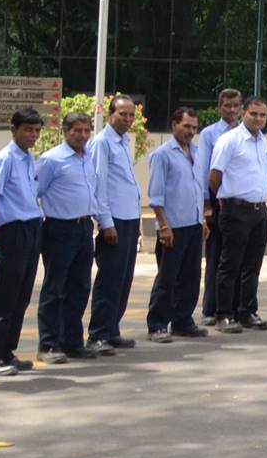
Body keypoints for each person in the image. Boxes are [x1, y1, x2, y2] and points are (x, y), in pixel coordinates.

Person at [0, 106, 45, 374]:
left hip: (32, 227)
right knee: (3, 294)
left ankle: (6, 351)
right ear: (13, 130)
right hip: (13, 229)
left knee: (21, 294)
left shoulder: (29, 158)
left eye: (36, 130)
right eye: (27, 130)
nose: (33, 135)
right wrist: (0, 229)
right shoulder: (5, 159)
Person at [34, 111, 98, 361]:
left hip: (84, 227)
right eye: (77, 130)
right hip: (59, 229)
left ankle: (71, 341)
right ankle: (48, 344)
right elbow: (35, 192)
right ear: (65, 131)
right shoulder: (52, 160)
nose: (82, 135)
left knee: (80, 287)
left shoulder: (88, 157)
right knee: (55, 288)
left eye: (86, 130)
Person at [206, 97, 267, 332]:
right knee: (230, 265)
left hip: (259, 210)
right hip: (236, 210)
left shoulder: (262, 141)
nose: (258, 119)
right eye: (254, 114)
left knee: (253, 265)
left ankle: (247, 311)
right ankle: (223, 314)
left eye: (262, 115)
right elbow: (214, 176)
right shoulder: (229, 140)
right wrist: (225, 199)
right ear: (244, 113)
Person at [143, 106, 208, 341]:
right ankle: (157, 324)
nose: (190, 131)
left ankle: (182, 320)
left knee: (191, 277)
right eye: (186, 126)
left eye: (194, 127)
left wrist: (202, 219)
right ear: (174, 125)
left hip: (193, 224)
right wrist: (163, 225)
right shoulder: (162, 154)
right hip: (172, 226)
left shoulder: (197, 152)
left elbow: (198, 188)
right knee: (167, 279)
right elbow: (156, 195)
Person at [86, 94, 142, 353]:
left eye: (131, 115)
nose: (128, 119)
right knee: (109, 279)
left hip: (129, 218)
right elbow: (99, 185)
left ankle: (112, 329)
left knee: (123, 279)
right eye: (123, 114)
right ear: (110, 115)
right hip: (114, 220)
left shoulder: (124, 141)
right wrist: (106, 223)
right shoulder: (102, 143)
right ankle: (98, 334)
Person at [195, 87, 243, 323]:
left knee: (239, 258)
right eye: (227, 106)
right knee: (217, 257)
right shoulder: (209, 134)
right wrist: (207, 205)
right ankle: (210, 309)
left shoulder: (248, 133)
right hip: (217, 199)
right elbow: (204, 170)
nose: (232, 110)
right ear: (219, 107)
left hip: (241, 202)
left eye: (235, 106)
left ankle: (235, 308)